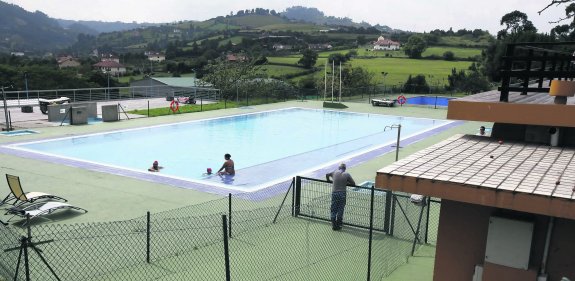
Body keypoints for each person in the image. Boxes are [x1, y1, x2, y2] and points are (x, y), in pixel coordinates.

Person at [326, 163, 355, 231]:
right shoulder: (347, 174)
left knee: (333, 209)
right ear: (344, 169)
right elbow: (353, 184)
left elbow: (327, 174)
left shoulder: (334, 172)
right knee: (340, 209)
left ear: (339, 168)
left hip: (334, 193)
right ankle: (339, 223)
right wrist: (346, 183)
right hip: (342, 193)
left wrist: (328, 180)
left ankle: (334, 224)